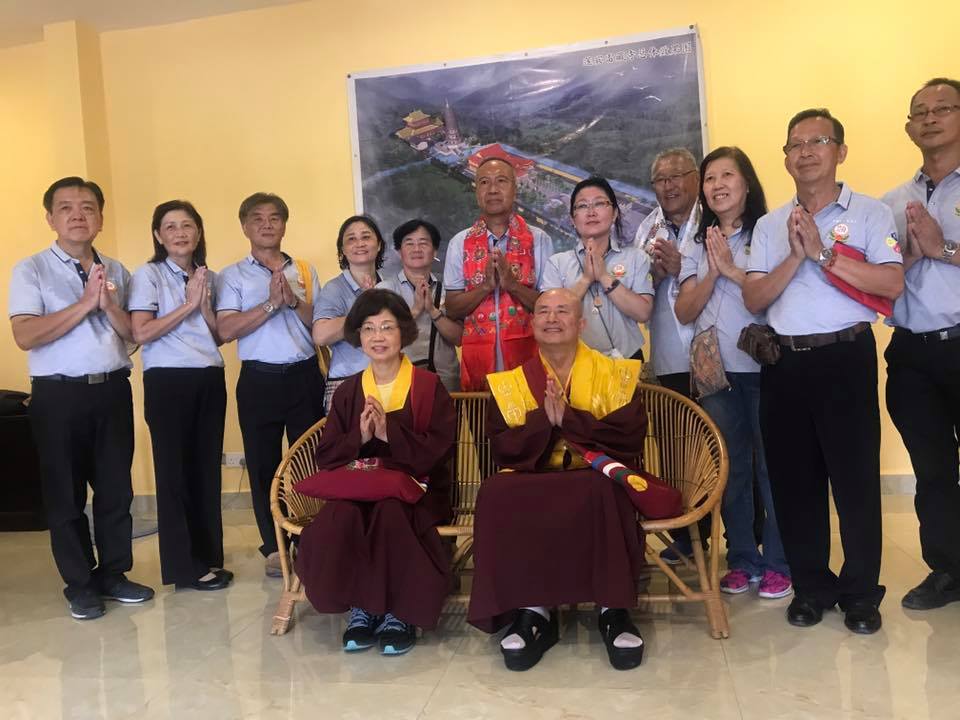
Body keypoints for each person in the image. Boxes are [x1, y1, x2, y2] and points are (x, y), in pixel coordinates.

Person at [743, 109, 904, 634]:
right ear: (786, 158)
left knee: (855, 481)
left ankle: (860, 594)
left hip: (844, 357)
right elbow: (754, 297)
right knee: (794, 482)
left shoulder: (871, 213)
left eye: (818, 141)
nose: (805, 152)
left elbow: (891, 283)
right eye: (795, 144)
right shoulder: (770, 225)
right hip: (784, 362)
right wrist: (794, 257)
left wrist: (822, 253)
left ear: (840, 151)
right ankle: (811, 588)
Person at [468, 288, 650, 672]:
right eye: (544, 311)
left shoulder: (615, 374)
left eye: (562, 311)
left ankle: (613, 609)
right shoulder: (510, 382)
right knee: (496, 491)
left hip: (593, 475)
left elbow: (629, 437)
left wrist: (568, 419)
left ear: (580, 323)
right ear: (532, 323)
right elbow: (502, 446)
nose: (552, 318)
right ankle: (532, 609)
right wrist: (544, 422)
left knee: (606, 488)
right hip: (535, 475)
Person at [8, 176, 154, 620]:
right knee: (65, 494)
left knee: (115, 490)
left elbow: (133, 335)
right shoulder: (31, 269)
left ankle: (113, 574)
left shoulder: (117, 270)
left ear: (100, 218)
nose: (78, 215)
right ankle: (80, 583)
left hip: (111, 389)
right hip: (58, 395)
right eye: (66, 207)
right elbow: (25, 334)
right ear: (51, 218)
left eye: (88, 207)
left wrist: (108, 305)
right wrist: (86, 303)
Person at [295, 289, 457, 656]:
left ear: (404, 332)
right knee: (341, 515)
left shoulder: (427, 386)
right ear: (358, 336)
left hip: (417, 491)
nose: (378, 337)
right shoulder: (349, 391)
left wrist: (390, 434)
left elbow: (441, 450)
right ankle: (362, 606)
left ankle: (399, 611)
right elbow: (328, 456)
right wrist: (361, 437)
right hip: (359, 490)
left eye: (387, 327)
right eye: (368, 328)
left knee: (390, 512)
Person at [674, 147, 791, 600]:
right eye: (710, 178)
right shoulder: (695, 242)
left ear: (746, 183)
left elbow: (776, 295)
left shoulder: (769, 232)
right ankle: (742, 559)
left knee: (772, 467)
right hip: (713, 371)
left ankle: (779, 561)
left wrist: (732, 270)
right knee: (731, 469)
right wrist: (712, 272)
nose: (718, 185)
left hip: (764, 366)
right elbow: (685, 311)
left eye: (727, 175)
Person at [881, 77, 960, 611]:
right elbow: (879, 280)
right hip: (911, 351)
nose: (930, 119)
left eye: (943, 108)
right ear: (909, 128)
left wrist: (942, 247)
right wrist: (906, 259)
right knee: (932, 470)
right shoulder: (891, 202)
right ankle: (948, 569)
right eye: (919, 112)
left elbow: (938, 248)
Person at [216, 192, 324, 578]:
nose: (266, 224)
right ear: (245, 226)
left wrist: (292, 301)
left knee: (309, 462)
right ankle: (275, 546)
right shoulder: (232, 276)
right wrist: (270, 305)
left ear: (284, 225)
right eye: (257, 218)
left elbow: (321, 325)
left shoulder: (305, 271)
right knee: (263, 464)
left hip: (305, 375)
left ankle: (310, 541)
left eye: (274, 218)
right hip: (259, 379)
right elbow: (225, 329)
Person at [129, 200, 231, 591]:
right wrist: (189, 304)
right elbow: (141, 332)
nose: (180, 233)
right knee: (174, 474)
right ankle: (184, 568)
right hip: (168, 380)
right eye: (170, 227)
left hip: (209, 376)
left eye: (187, 225)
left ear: (199, 232)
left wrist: (203, 306)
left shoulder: (209, 276)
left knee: (205, 470)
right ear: (158, 235)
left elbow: (218, 336)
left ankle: (208, 557)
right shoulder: (149, 275)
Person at [634, 148, 704, 564]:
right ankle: (689, 536)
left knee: (723, 446)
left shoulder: (713, 219)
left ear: (695, 177)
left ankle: (743, 537)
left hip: (716, 352)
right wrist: (656, 274)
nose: (669, 185)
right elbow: (637, 288)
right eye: (661, 179)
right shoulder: (647, 229)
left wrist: (682, 267)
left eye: (677, 176)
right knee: (677, 450)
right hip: (670, 355)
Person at [443, 156, 554, 390]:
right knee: (482, 413)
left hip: (529, 356)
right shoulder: (459, 243)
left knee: (530, 411)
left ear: (515, 189)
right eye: (484, 182)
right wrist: (485, 287)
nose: (492, 189)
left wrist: (513, 285)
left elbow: (550, 307)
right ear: (477, 192)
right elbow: (452, 309)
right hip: (478, 360)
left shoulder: (539, 239)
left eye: (501, 181)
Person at [541, 176, 653, 359]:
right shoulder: (557, 263)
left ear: (614, 213)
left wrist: (604, 277)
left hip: (627, 361)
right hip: (574, 363)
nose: (591, 212)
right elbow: (552, 317)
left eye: (599, 203)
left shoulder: (636, 258)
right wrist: (585, 280)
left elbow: (643, 313)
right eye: (582, 206)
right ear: (573, 219)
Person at [376, 219, 462, 391]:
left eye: (423, 243)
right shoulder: (384, 290)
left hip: (446, 382)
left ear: (434, 251)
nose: (416, 249)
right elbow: (379, 336)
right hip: (400, 382)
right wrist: (415, 310)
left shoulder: (449, 291)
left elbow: (459, 338)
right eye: (409, 243)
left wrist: (432, 311)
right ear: (399, 252)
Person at [313, 215, 386, 407]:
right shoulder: (334, 289)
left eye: (366, 237)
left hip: (389, 381)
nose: (359, 243)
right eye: (351, 239)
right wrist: (363, 308)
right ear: (343, 251)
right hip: (347, 382)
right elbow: (320, 336)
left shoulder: (389, 286)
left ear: (379, 244)